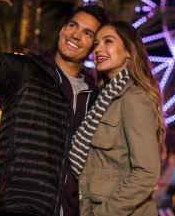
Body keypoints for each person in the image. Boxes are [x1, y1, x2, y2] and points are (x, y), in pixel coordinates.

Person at [0, 0, 109, 216]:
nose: (76, 34)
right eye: (73, 25)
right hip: (19, 206)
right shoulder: (26, 71)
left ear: (92, 47)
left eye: (88, 33)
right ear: (62, 30)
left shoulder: (96, 97)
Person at [69, 21, 166, 215]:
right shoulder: (104, 100)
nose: (99, 49)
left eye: (108, 42)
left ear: (129, 51)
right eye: (96, 44)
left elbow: (146, 174)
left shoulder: (134, 99)